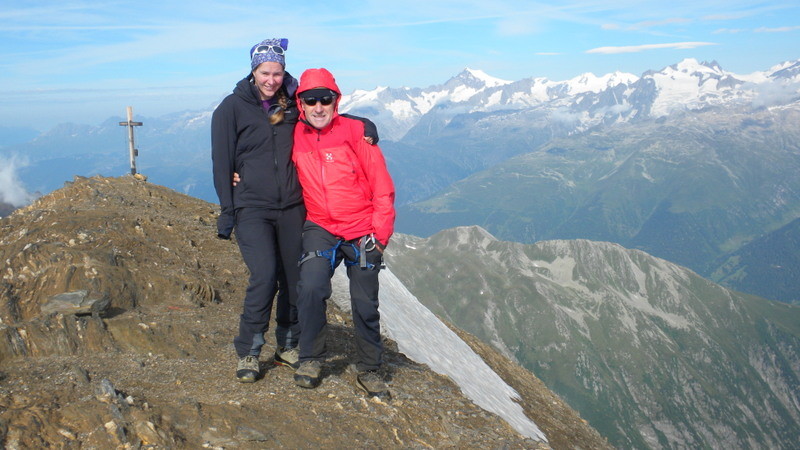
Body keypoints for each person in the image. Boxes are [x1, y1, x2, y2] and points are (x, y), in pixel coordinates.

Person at [212, 39, 379, 384]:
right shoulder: (230, 108)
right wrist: (227, 213)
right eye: (264, 72)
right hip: (252, 206)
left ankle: (288, 345)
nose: (271, 79)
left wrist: (362, 123)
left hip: (292, 206)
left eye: (276, 72)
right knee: (264, 275)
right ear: (253, 71)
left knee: (293, 277)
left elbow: (321, 115)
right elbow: (221, 162)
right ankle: (250, 348)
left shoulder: (291, 104)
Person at [290, 68, 396, 400]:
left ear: (336, 101)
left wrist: (379, 237)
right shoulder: (292, 134)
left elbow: (382, 188)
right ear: (301, 104)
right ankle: (310, 358)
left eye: (326, 99)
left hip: (362, 228)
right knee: (310, 288)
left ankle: (369, 368)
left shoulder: (356, 133)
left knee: (365, 304)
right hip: (320, 226)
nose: (318, 106)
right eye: (311, 100)